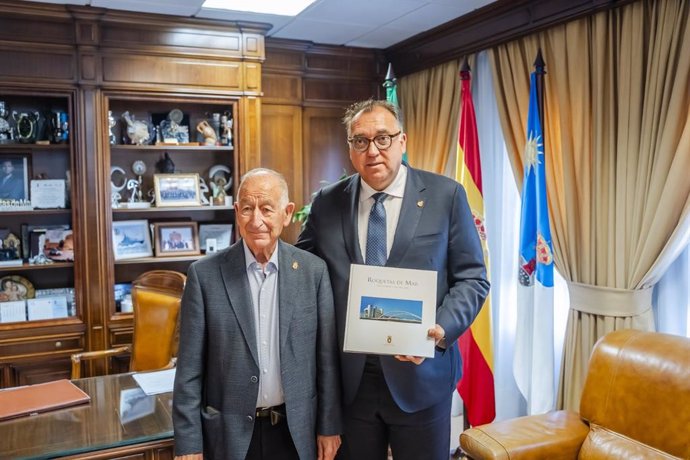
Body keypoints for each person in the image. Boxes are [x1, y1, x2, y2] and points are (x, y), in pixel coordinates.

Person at [296, 99, 490, 460]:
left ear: (403, 141)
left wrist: (441, 329)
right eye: (361, 141)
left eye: (383, 139)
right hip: (351, 381)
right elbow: (301, 272)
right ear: (351, 149)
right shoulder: (327, 203)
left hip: (421, 376)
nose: (373, 151)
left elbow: (473, 278)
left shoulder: (445, 196)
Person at [173, 168, 342, 460]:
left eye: (266, 209)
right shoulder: (205, 275)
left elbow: (326, 362)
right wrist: (189, 444)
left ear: (287, 213)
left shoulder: (313, 272)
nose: (256, 221)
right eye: (247, 209)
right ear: (237, 212)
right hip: (230, 437)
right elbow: (189, 371)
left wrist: (329, 427)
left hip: (296, 433)